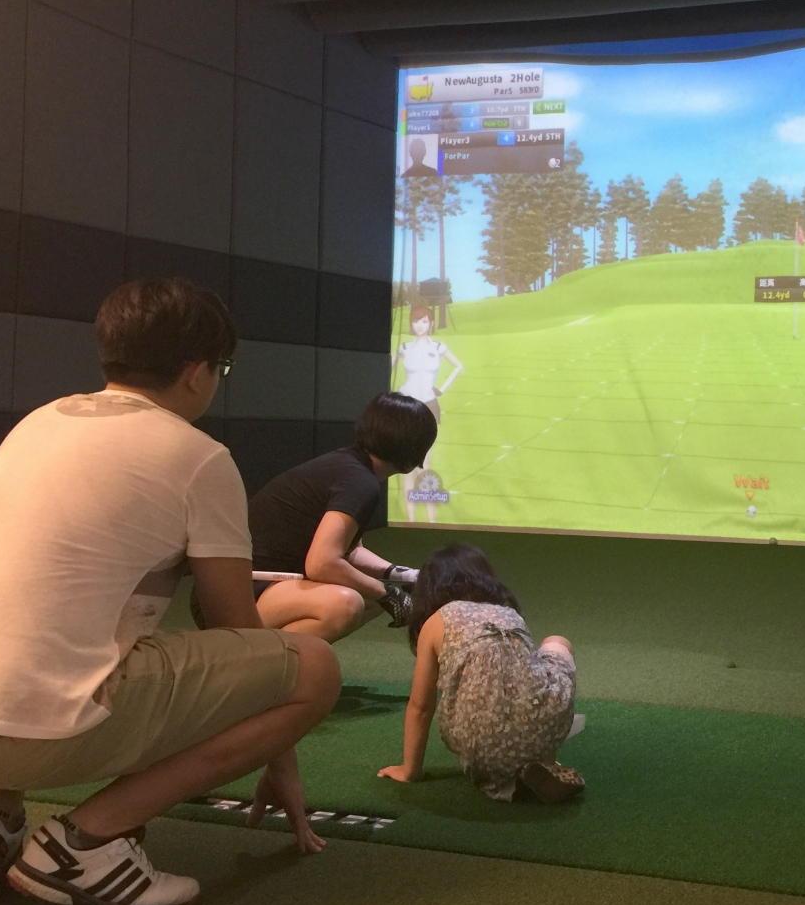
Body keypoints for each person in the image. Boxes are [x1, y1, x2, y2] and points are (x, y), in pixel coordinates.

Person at [0, 279, 340, 905]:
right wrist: (279, 756)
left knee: (66, 623)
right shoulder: (199, 456)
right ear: (197, 371)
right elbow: (239, 629)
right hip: (17, 734)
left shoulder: (41, 420)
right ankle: (84, 844)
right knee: (312, 667)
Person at [378, 544, 583, 803]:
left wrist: (410, 771)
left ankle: (508, 778)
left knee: (488, 729)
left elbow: (420, 706)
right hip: (543, 725)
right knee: (556, 642)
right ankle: (545, 763)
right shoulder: (509, 615)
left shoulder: (437, 621)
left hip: (478, 742)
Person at [243, 393, 439, 642]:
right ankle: (249, 658)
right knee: (345, 604)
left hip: (246, 587)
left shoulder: (351, 467)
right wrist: (387, 593)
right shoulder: (360, 482)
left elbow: (348, 552)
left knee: (370, 598)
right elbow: (322, 563)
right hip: (239, 595)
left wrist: (400, 575)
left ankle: (273, 657)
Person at [392, 304, 463, 523]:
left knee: (424, 465)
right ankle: (410, 520)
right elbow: (387, 366)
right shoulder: (404, 347)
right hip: (406, 407)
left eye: (424, 321)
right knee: (407, 466)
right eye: (416, 321)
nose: (420, 325)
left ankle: (431, 521)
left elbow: (458, 366)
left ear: (431, 323)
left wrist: (442, 389)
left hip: (429, 405)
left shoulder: (439, 347)